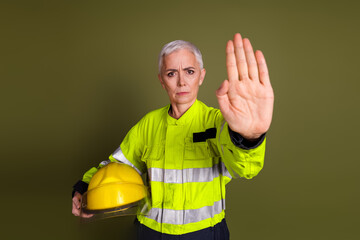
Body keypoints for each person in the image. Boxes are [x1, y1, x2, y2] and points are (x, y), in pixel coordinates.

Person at [72, 33, 274, 240]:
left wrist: (250, 137)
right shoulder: (148, 125)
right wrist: (85, 188)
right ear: (161, 80)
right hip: (149, 233)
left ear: (201, 76)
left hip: (206, 234)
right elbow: (116, 167)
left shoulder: (218, 123)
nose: (181, 82)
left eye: (189, 71)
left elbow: (246, 168)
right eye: (171, 73)